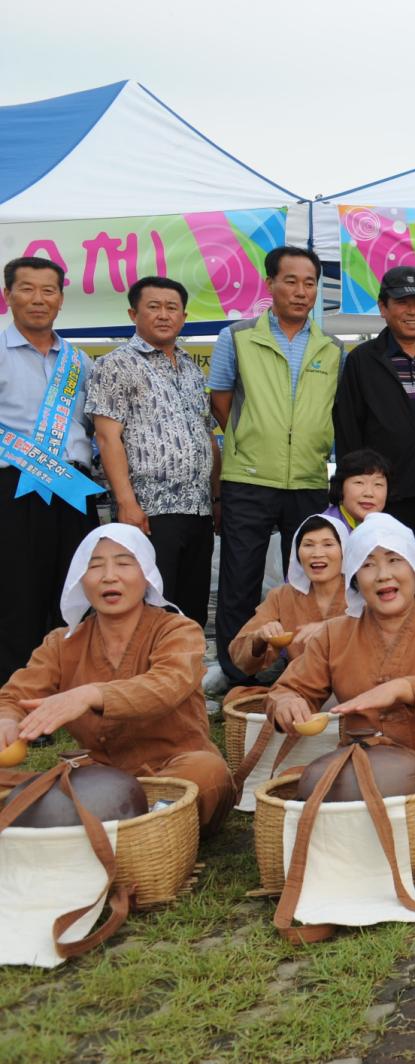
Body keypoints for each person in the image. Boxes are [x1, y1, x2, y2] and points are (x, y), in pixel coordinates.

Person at [0, 526, 234, 836]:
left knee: (207, 772)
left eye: (123, 563)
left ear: (146, 574)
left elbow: (166, 685)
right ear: (81, 579)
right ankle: (127, 826)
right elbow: (15, 696)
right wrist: (7, 719)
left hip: (174, 772)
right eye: (95, 566)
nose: (109, 576)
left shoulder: (178, 630)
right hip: (99, 782)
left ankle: (122, 826)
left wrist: (90, 695)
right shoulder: (61, 643)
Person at [210, 246, 343, 689]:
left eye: (310, 283)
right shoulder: (237, 337)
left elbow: (332, 411)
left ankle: (302, 669)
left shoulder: (332, 348)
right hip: (248, 478)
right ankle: (238, 675)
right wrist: (252, 438)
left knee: (307, 580)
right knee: (239, 579)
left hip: (307, 478)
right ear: (270, 284)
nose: (301, 291)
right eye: (291, 281)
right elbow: (221, 401)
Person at [267, 514, 415, 768]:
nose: (383, 575)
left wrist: (402, 689)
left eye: (394, 560)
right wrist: (287, 703)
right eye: (367, 564)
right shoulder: (334, 635)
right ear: (355, 579)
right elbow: (289, 688)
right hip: (363, 764)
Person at [87, 277, 220, 629]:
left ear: (184, 316)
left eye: (172, 307)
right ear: (134, 314)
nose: (164, 315)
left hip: (198, 509)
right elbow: (107, 437)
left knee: (190, 609)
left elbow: (206, 435)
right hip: (149, 511)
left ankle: (186, 665)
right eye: (154, 307)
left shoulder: (192, 368)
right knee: (150, 606)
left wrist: (216, 497)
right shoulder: (115, 365)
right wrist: (127, 503)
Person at [333, 266, 415, 600]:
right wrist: (357, 494)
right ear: (383, 307)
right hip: (386, 500)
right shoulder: (362, 361)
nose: (412, 311)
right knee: (388, 586)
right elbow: (349, 430)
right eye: (402, 302)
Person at [0, 257, 102, 679]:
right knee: (15, 591)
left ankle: (68, 686)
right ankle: (16, 691)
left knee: (75, 589)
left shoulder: (80, 362)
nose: (38, 299)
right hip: (12, 486)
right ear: (7, 296)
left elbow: (95, 427)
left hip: (72, 487)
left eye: (48, 290)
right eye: (27, 289)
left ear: (61, 299)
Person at [228, 515, 347, 678]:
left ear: (344, 550)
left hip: (354, 684)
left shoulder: (361, 592)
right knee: (241, 692)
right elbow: (239, 657)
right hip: (301, 685)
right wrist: (259, 637)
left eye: (328, 544)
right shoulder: (282, 596)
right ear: (297, 553)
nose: (317, 553)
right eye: (308, 545)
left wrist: (331, 629)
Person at [322, 448, 390, 531]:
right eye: (359, 482)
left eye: (378, 484)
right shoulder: (323, 529)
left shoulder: (393, 529)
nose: (369, 493)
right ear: (340, 487)